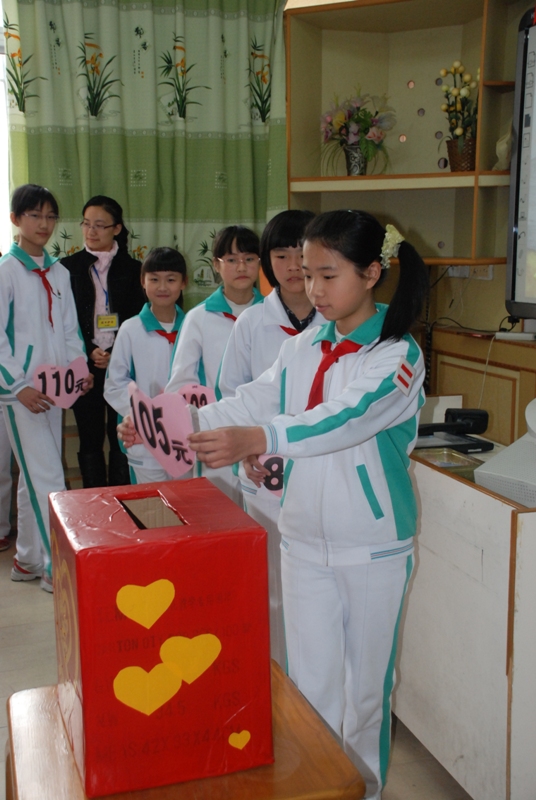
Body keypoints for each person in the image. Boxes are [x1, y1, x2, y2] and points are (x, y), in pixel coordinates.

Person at [183, 209, 428, 799]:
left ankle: (365, 790)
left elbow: (341, 420)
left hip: (371, 547)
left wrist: (261, 437)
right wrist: (173, 424)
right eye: (307, 273)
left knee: (364, 693)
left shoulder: (397, 355)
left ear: (372, 273)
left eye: (328, 275)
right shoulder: (304, 346)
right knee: (309, 689)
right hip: (301, 542)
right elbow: (253, 398)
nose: (313, 288)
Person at [215, 209, 324, 667]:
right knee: (271, 580)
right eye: (281, 255)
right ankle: (276, 673)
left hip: (320, 470)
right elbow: (231, 394)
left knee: (316, 583)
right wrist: (242, 450)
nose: (294, 266)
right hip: (263, 472)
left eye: (302, 254)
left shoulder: (337, 321)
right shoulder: (251, 323)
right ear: (267, 262)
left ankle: (310, 675)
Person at [0, 184, 93, 591]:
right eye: (34, 215)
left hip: (55, 389)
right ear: (15, 219)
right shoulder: (6, 271)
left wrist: (79, 369)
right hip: (21, 394)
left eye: (50, 216)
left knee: (35, 475)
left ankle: (27, 560)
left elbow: (70, 329)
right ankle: (58, 568)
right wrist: (18, 385)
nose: (44, 223)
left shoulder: (59, 272)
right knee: (49, 476)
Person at [165, 225, 262, 503]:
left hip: (262, 436)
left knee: (263, 519)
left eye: (249, 258)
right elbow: (180, 384)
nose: (241, 267)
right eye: (231, 260)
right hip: (215, 435)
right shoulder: (199, 318)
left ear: (260, 263)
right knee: (218, 513)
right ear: (216, 265)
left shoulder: (272, 314)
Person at [62, 196, 145, 488]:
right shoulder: (67, 268)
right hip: (84, 367)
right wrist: (89, 351)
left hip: (122, 366)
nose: (91, 231)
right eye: (86, 224)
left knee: (122, 436)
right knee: (89, 438)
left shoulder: (135, 270)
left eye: (99, 225)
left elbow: (138, 318)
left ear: (117, 228)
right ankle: (93, 502)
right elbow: (65, 320)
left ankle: (122, 502)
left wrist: (115, 352)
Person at [104, 247, 188, 484]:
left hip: (183, 438)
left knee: (185, 501)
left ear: (184, 282)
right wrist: (142, 415)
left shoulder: (192, 327)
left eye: (171, 279)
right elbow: (114, 384)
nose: (162, 287)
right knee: (151, 502)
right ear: (143, 281)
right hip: (143, 438)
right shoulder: (131, 329)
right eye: (154, 279)